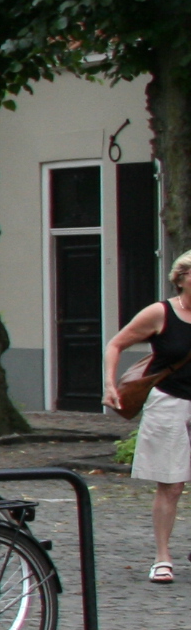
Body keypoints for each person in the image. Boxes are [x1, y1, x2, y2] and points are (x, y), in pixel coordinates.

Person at [107, 249, 191, 580]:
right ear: (182, 278)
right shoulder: (161, 313)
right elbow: (116, 344)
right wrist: (109, 384)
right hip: (170, 402)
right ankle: (162, 557)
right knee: (171, 485)